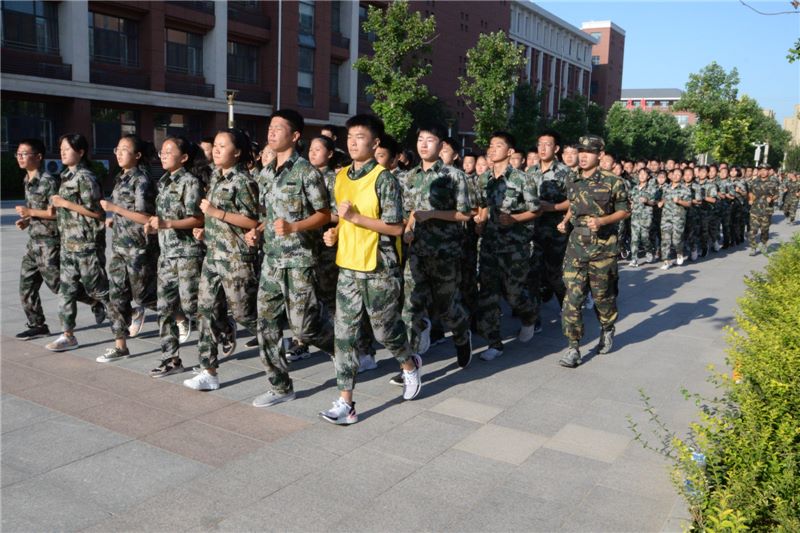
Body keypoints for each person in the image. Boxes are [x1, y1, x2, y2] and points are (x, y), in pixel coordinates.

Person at [320, 114, 422, 425]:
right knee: (344, 336)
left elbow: (395, 227)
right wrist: (335, 232)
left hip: (379, 266)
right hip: (348, 266)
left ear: (375, 142)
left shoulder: (384, 179)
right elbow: (342, 218)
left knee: (384, 331)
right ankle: (345, 403)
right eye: (350, 137)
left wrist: (356, 219)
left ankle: (409, 364)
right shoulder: (340, 177)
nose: (353, 142)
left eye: (360, 137)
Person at [246, 110, 336, 408]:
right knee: (266, 326)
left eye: (278, 128)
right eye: (269, 128)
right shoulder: (266, 173)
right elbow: (269, 215)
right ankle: (280, 386)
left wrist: (295, 227)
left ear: (295, 136)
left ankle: (341, 345)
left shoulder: (306, 172)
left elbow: (323, 214)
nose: (271, 133)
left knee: (303, 329)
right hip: (271, 261)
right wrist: (257, 231)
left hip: (299, 260)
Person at [183, 129, 260, 391]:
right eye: (215, 145)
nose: (216, 150)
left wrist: (217, 213)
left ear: (237, 152)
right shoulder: (216, 177)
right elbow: (218, 220)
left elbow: (252, 221)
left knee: (243, 314)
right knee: (205, 311)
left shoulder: (244, 181)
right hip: (213, 256)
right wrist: (206, 229)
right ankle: (209, 371)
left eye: (222, 145)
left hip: (236, 259)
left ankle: (274, 339)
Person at [401, 122, 473, 369]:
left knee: (447, 307)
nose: (423, 144)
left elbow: (465, 214)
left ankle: (462, 336)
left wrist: (433, 214)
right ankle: (409, 365)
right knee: (410, 308)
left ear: (441, 145)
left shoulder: (454, 176)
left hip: (445, 253)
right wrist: (408, 229)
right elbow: (411, 211)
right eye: (420, 139)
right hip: (417, 252)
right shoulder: (410, 176)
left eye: (429, 140)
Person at [557, 135, 629, 368]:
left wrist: (602, 221)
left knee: (602, 297)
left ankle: (607, 327)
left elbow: (624, 211)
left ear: (600, 155)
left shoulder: (613, 181)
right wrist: (565, 220)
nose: (583, 156)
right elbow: (574, 203)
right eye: (581, 151)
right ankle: (573, 347)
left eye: (589, 152)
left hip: (603, 248)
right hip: (576, 246)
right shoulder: (572, 178)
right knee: (572, 298)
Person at [474, 131, 541, 361]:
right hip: (489, 245)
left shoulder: (523, 179)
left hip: (515, 246)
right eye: (491, 145)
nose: (492, 149)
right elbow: (482, 204)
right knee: (488, 295)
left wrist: (514, 218)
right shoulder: (483, 178)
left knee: (513, 294)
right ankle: (494, 343)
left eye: (498, 145)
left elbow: (535, 210)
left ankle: (529, 316)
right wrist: (480, 221)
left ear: (510, 151)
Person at [146, 137, 208, 377]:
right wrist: (155, 227)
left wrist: (168, 223)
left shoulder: (190, 182)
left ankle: (219, 333)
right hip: (167, 256)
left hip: (187, 254)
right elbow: (164, 219)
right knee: (165, 308)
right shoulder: (163, 182)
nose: (163, 155)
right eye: (161, 151)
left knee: (192, 307)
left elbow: (198, 219)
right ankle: (171, 359)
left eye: (169, 152)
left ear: (184, 158)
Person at [96, 135, 158, 362]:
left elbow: (146, 217)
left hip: (139, 249)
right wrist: (115, 219)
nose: (119, 153)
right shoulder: (121, 178)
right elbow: (126, 211)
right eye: (118, 149)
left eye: (125, 149)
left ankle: (181, 313)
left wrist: (115, 209)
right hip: (120, 247)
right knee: (117, 296)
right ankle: (120, 345)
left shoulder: (141, 180)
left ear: (137, 155)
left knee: (143, 295)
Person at [45, 133, 109, 351]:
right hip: (68, 243)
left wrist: (65, 203)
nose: (62, 152)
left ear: (81, 152)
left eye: (67, 149)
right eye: (61, 149)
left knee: (97, 289)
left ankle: (128, 312)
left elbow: (98, 213)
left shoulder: (86, 178)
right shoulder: (66, 176)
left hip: (86, 244)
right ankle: (68, 335)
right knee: (66, 291)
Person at [14, 139, 62, 340]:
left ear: (39, 157)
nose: (20, 157)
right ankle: (37, 324)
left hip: (49, 243)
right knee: (26, 285)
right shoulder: (28, 180)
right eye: (18, 154)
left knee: (58, 284)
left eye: (24, 153)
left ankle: (100, 302)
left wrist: (30, 212)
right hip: (34, 242)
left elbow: (57, 213)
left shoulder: (48, 181)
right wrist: (27, 220)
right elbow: (39, 211)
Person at [529, 130, 571, 317]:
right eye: (540, 144)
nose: (543, 148)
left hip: (556, 231)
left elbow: (575, 200)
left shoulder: (565, 172)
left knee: (555, 274)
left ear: (556, 148)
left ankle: (567, 308)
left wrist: (553, 207)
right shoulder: (531, 171)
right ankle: (533, 318)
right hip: (533, 230)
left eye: (547, 144)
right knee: (533, 273)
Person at [658, 169, 693, 269]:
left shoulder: (685, 189)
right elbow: (664, 198)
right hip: (666, 217)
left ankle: (679, 252)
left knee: (676, 240)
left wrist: (680, 201)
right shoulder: (666, 187)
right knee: (665, 239)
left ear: (681, 177)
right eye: (674, 174)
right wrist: (661, 202)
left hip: (678, 218)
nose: (676, 176)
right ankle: (666, 261)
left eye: (679, 174)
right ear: (671, 175)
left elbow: (689, 203)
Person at [747, 164, 779, 256]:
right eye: (761, 170)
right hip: (755, 209)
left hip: (766, 210)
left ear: (768, 171)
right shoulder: (754, 182)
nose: (763, 172)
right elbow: (750, 192)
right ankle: (753, 247)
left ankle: (764, 243)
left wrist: (772, 198)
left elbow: (777, 194)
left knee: (764, 230)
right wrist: (750, 199)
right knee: (753, 230)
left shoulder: (773, 182)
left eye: (765, 170)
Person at [628, 168, 656, 267]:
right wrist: (631, 204)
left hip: (646, 217)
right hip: (635, 216)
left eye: (644, 174)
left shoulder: (652, 188)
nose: (642, 176)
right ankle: (634, 259)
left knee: (645, 237)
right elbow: (630, 199)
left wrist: (647, 201)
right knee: (634, 238)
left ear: (648, 177)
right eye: (640, 174)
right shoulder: (634, 188)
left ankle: (649, 251)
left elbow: (654, 202)